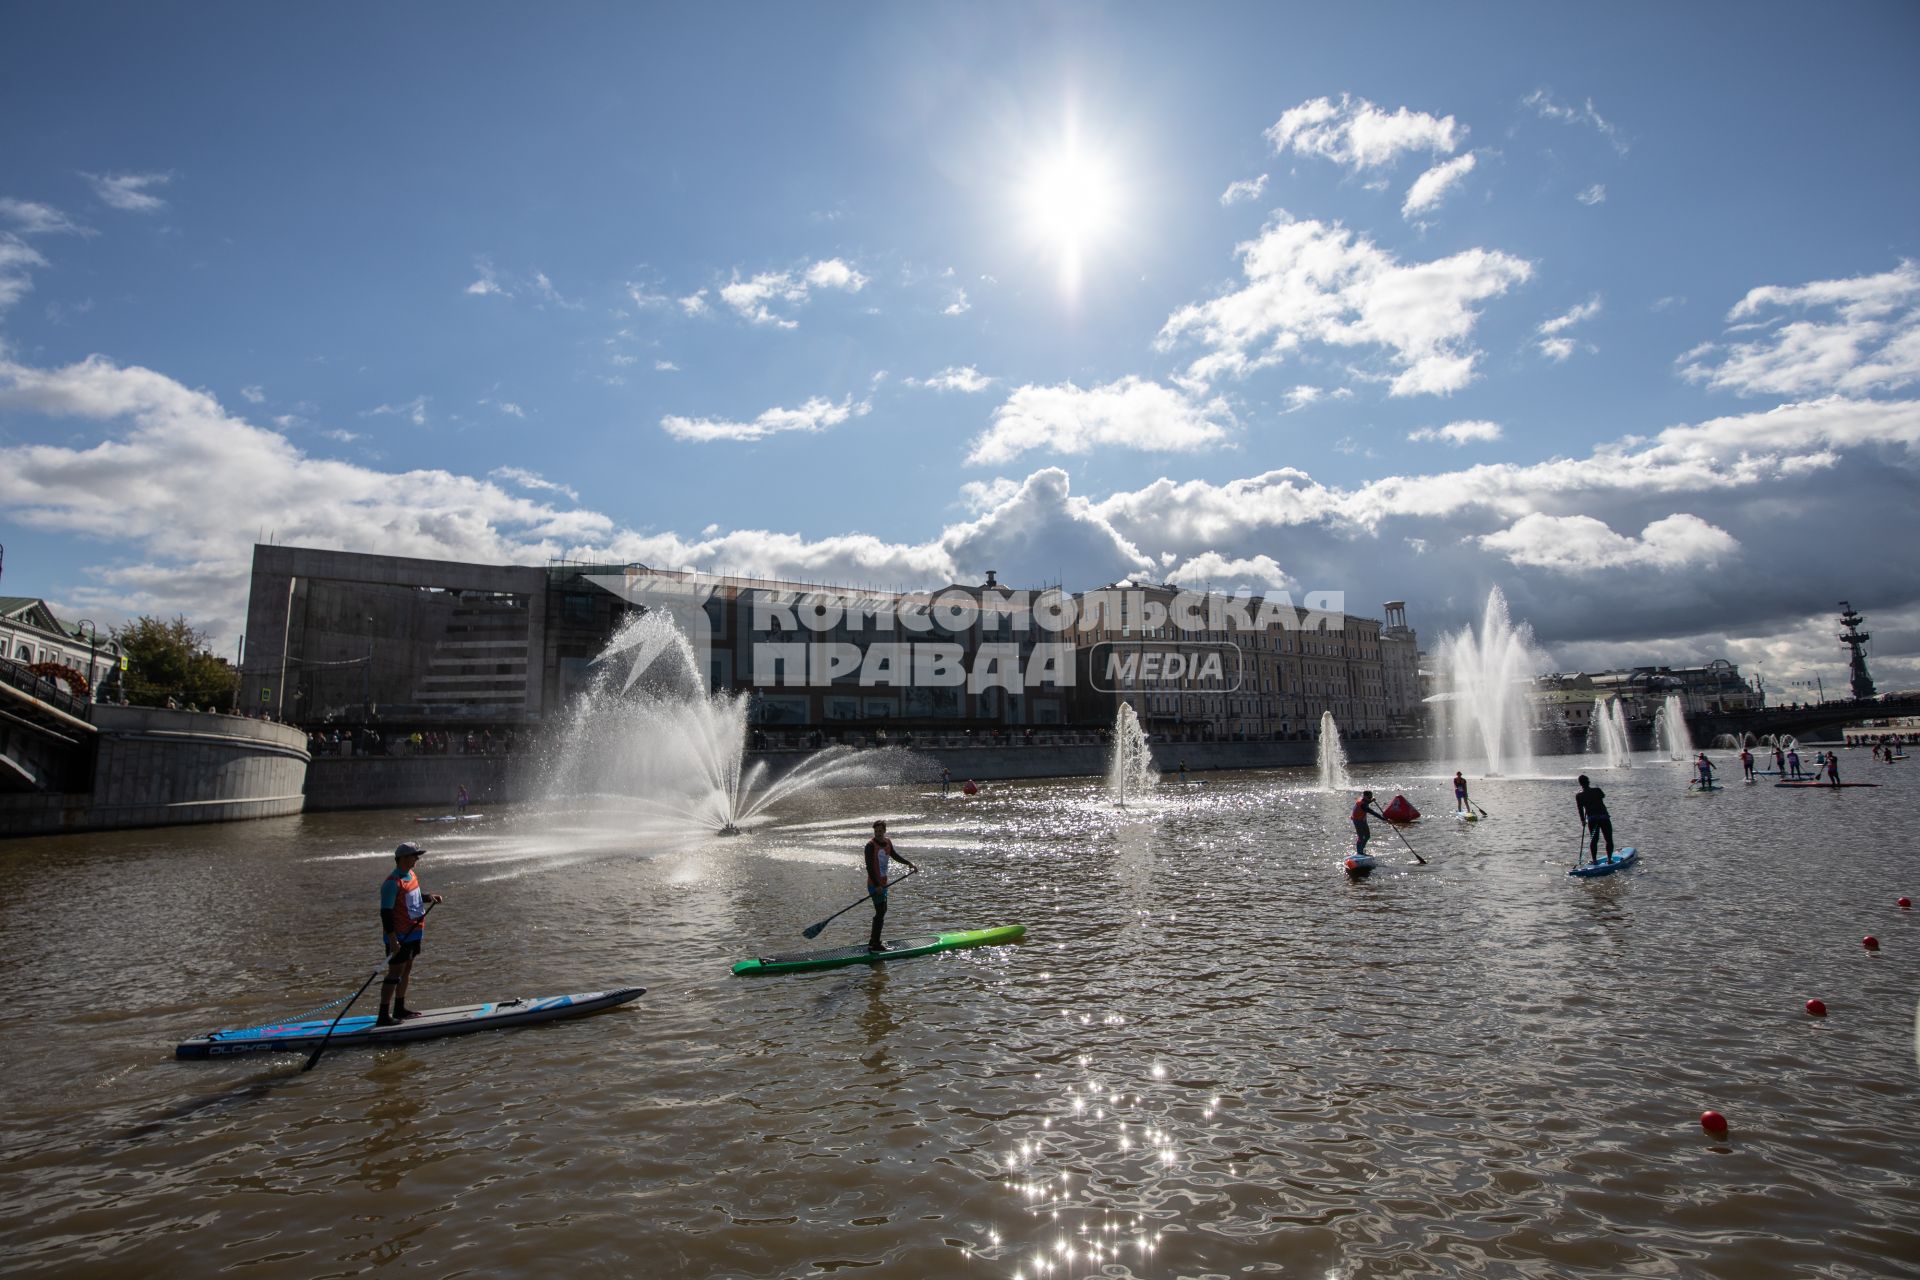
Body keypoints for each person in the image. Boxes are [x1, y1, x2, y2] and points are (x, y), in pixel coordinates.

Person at [378, 842, 442, 1025]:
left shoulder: (411, 875)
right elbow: (386, 913)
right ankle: (383, 1015)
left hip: (414, 933)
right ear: (404, 858)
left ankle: (399, 1009)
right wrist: (392, 940)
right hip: (399, 936)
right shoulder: (392, 883)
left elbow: (414, 895)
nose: (417, 859)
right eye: (415, 855)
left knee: (407, 969)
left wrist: (429, 897)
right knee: (394, 973)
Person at [862, 820, 919, 953]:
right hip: (874, 885)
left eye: (880, 831)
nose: (878, 834)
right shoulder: (870, 846)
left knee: (882, 911)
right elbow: (869, 868)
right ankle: (875, 944)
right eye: (876, 831)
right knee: (880, 912)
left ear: (885, 831)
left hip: (884, 884)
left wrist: (908, 863)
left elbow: (894, 855)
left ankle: (873, 941)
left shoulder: (888, 842)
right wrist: (876, 886)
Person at [1575, 775, 1614, 863]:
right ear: (1588, 782)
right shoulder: (1597, 790)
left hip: (1592, 819)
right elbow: (1603, 796)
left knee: (1594, 840)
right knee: (1608, 839)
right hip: (1604, 817)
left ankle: (1594, 860)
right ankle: (1609, 859)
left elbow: (1580, 809)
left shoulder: (1579, 796)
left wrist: (1582, 820)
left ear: (1580, 784)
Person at [1350, 790, 1385, 857]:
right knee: (1361, 837)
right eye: (1369, 797)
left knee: (1367, 836)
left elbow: (1367, 802)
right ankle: (1359, 853)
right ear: (1365, 796)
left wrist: (1371, 800)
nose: (1370, 798)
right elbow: (1372, 812)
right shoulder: (1362, 804)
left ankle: (1362, 849)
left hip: (1363, 820)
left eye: (1371, 796)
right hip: (1357, 821)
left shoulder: (1364, 800)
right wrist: (1382, 818)